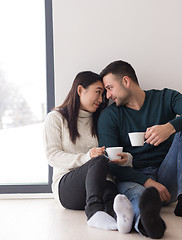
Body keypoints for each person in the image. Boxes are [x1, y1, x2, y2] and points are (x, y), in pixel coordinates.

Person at [97, 60, 182, 239]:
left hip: (168, 178)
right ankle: (146, 222)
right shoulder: (109, 116)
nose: (108, 95)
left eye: (110, 88)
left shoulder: (165, 97)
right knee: (137, 195)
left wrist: (169, 127)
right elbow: (110, 164)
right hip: (134, 178)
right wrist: (146, 181)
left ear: (126, 81)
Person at [43, 71, 135, 233]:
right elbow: (52, 156)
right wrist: (87, 157)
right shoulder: (56, 118)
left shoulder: (101, 120)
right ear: (80, 90)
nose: (102, 99)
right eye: (98, 92)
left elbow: (113, 150)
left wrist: (126, 159)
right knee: (97, 162)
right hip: (68, 189)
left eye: (104, 94)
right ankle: (93, 213)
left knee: (111, 192)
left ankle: (122, 220)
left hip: (100, 185)